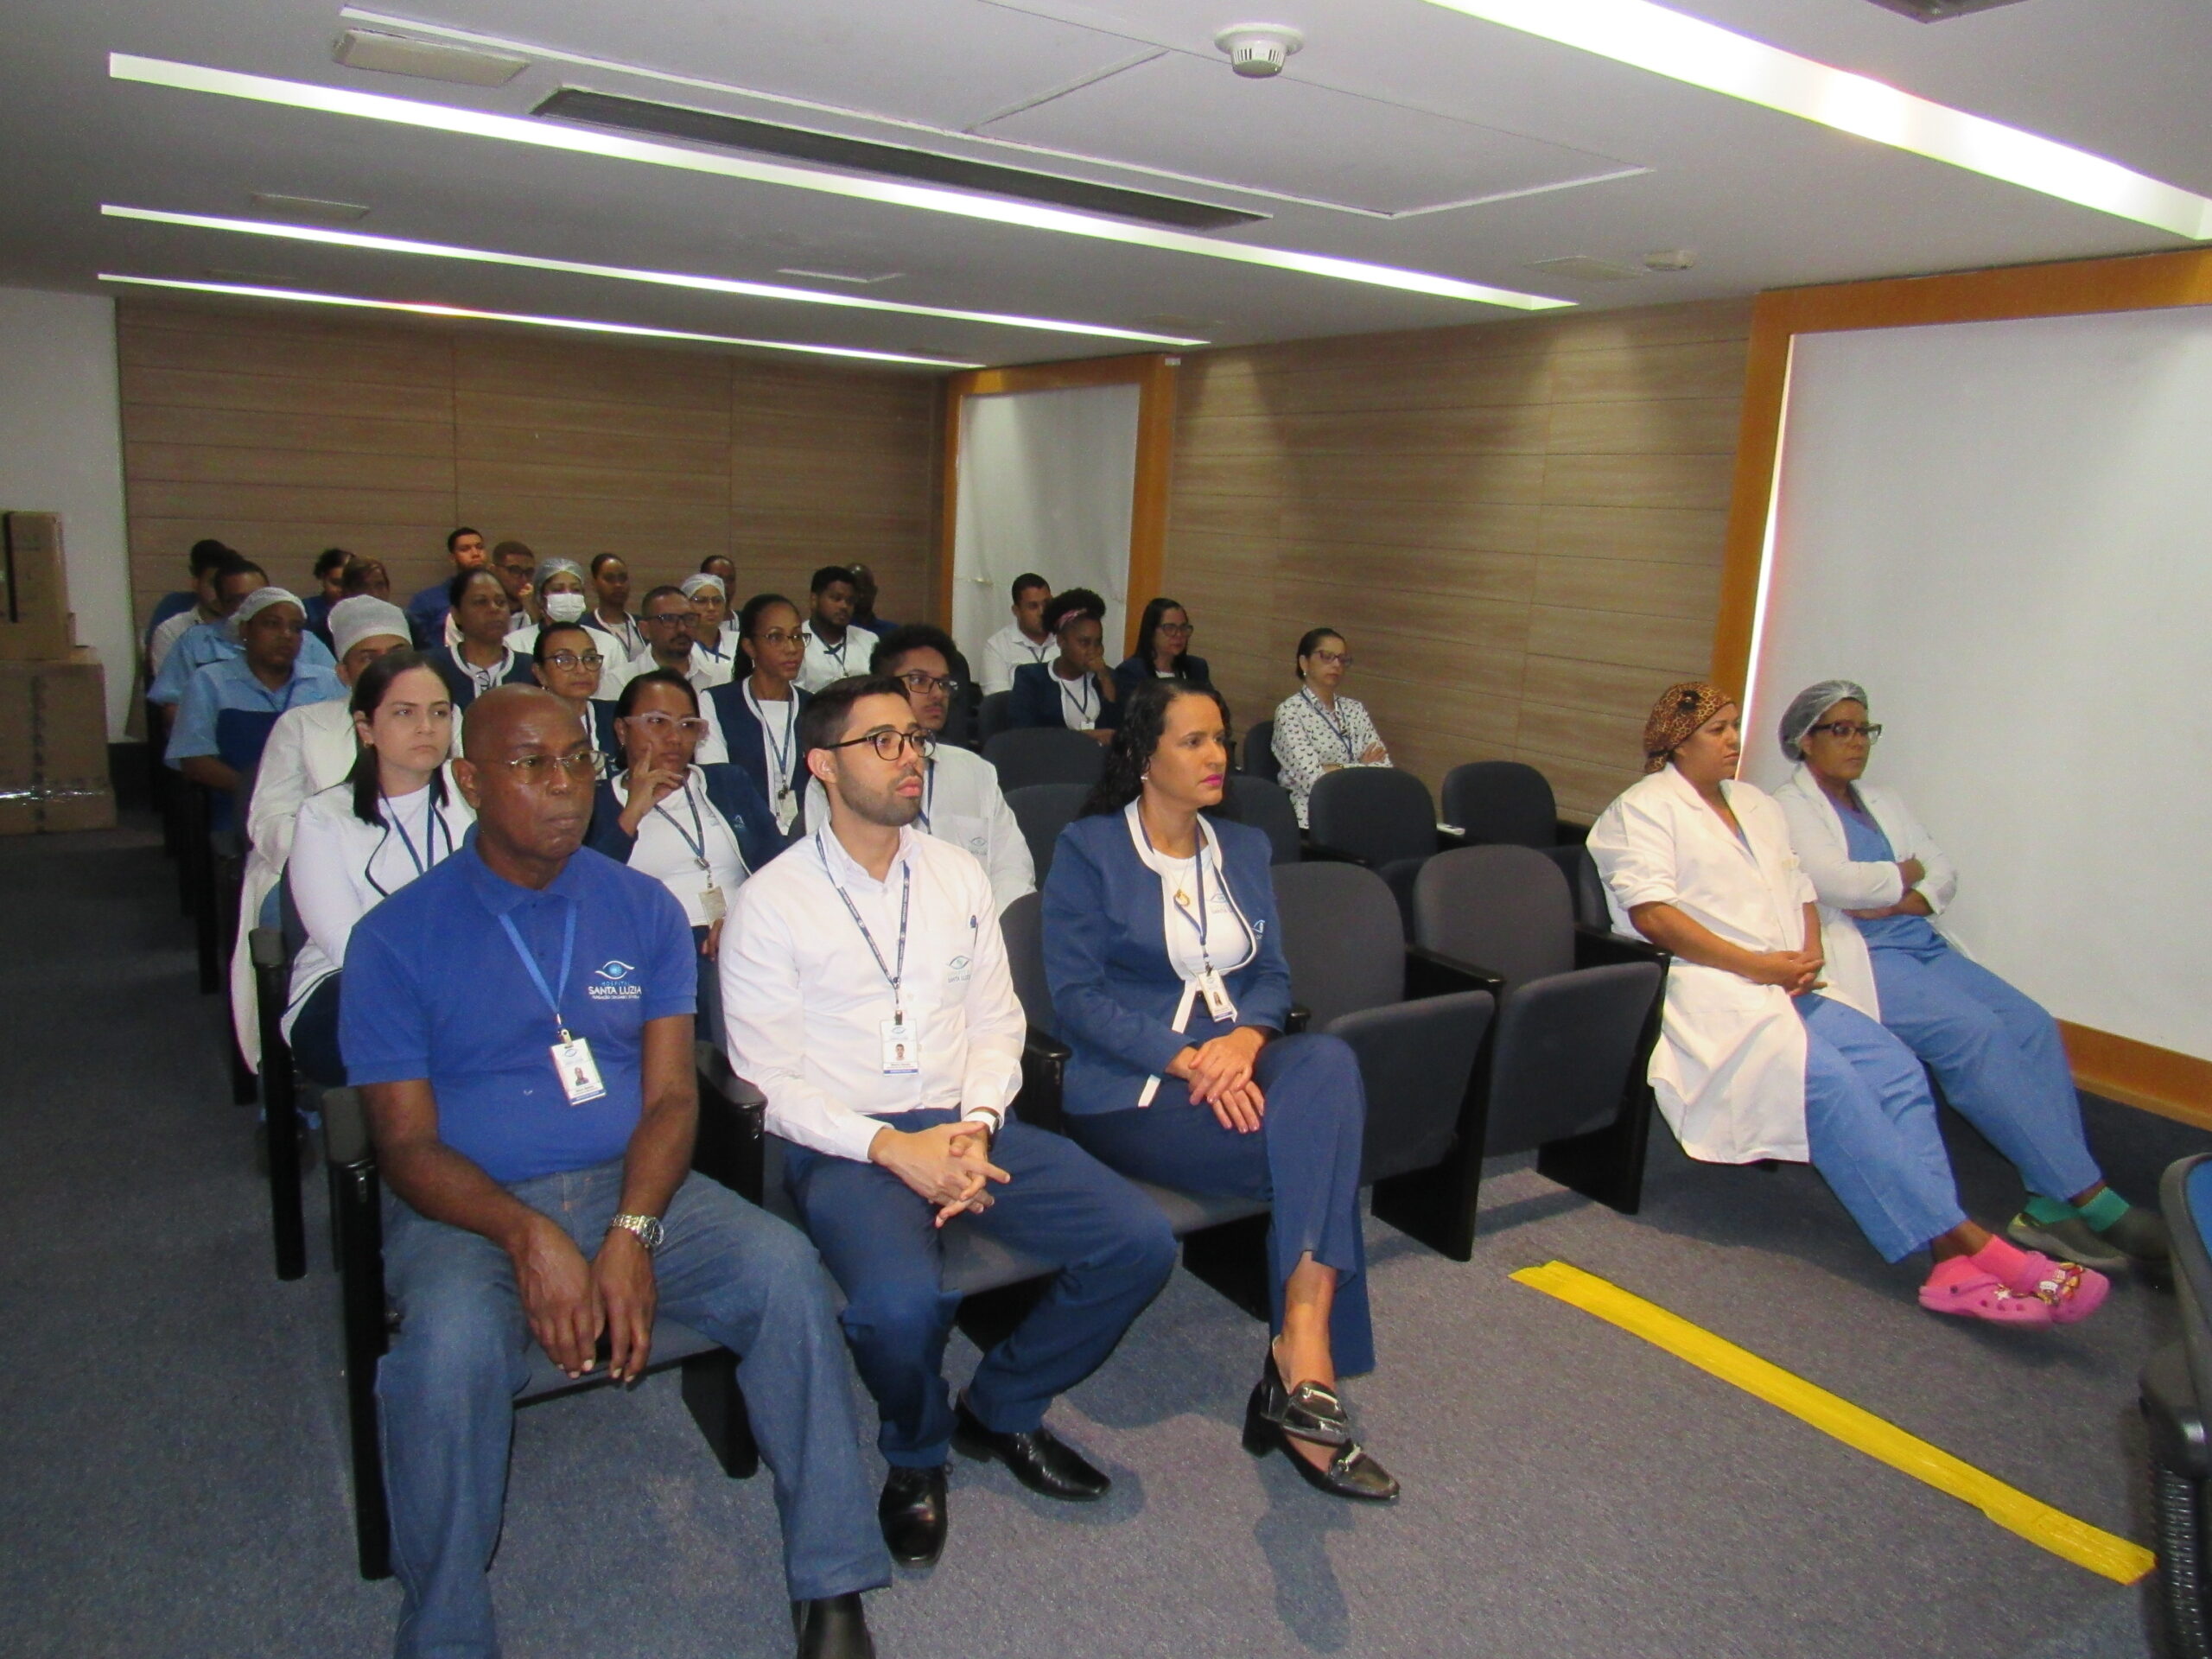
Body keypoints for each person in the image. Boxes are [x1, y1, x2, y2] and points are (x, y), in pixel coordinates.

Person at [340, 684, 887, 1659]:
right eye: (531, 764)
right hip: (469, 1210)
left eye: (578, 762)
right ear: (469, 781)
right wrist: (529, 1236)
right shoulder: (394, 937)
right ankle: (445, 1628)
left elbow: (673, 1098)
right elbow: (407, 1148)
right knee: (449, 1353)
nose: (565, 786)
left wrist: (631, 1230)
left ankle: (833, 1579)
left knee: (783, 1271)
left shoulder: (641, 907)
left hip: (629, 1183)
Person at [723, 677, 1175, 1568]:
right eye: (882, 742)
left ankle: (1000, 1408)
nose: (911, 757)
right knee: (896, 1310)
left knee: (1140, 1242)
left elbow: (997, 1023)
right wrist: (893, 1148)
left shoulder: (955, 874)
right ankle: (916, 1451)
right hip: (849, 1144)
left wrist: (976, 1124)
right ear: (823, 766)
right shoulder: (771, 903)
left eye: (914, 739)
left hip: (966, 1124)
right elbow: (769, 1081)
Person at [1587, 683, 2109, 1327]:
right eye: (1717, 730)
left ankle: (1950, 1263)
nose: (1733, 740)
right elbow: (1655, 917)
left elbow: (1801, 888)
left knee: (1897, 1070)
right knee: (1831, 1083)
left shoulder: (1755, 805)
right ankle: (1981, 1249)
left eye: (1734, 726)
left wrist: (1808, 955)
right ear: (1676, 741)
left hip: (1789, 980)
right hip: (1713, 988)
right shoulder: (1641, 811)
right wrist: (1758, 966)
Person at [1042, 678, 1395, 1500]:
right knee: (1320, 1153)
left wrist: (1243, 1039)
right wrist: (1189, 1059)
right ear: (1144, 755)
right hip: (1135, 1084)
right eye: (1193, 741)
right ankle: (1302, 1375)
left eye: (1221, 740)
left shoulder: (1242, 846)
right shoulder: (1089, 849)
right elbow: (1077, 1000)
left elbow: (1271, 975)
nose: (1217, 757)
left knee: (1329, 1063)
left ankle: (1300, 1349)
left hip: (1239, 1059)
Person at [1769, 680, 2166, 1274]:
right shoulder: (1787, 806)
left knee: (2031, 1024)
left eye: (1864, 729)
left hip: (1921, 943)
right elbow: (1837, 884)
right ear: (1805, 741)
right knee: (1973, 1033)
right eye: (1840, 730)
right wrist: (1905, 874)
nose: (1857, 742)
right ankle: (2092, 1198)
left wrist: (1901, 896)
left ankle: (2048, 1204)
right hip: (1866, 958)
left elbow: (1944, 874)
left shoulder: (1884, 800)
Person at [231, 594, 414, 1069]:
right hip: (313, 872)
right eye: (368, 657)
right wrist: (335, 860)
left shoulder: (442, 721)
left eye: (397, 653)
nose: (386, 668)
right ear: (343, 673)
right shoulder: (302, 725)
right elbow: (269, 818)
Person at [283, 652, 473, 1084]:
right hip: (352, 983)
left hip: (468, 976)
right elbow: (345, 943)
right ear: (366, 728)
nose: (426, 727)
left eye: (439, 713)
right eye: (405, 713)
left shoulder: (474, 800)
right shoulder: (324, 816)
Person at [587, 668, 779, 1046]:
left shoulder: (727, 782)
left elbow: (778, 867)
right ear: (622, 731)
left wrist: (743, 919)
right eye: (657, 722)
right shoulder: (598, 803)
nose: (674, 738)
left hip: (739, 934)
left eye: (688, 725)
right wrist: (633, 812)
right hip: (655, 950)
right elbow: (589, 889)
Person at [803, 626, 1032, 912]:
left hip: (976, 928)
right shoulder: (841, 775)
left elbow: (1013, 869)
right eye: (919, 680)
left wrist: (986, 929)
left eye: (943, 683)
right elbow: (826, 875)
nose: (937, 694)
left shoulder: (975, 771)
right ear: (884, 686)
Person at [164, 588, 346, 820]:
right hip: (237, 808)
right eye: (272, 624)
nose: (286, 635)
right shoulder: (210, 681)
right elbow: (194, 760)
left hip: (319, 810)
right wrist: (261, 794)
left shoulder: (328, 682)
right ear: (245, 629)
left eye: (296, 628)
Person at [149, 558, 338, 711]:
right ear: (220, 604)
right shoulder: (195, 643)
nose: (251, 604)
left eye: (259, 596)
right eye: (239, 599)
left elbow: (337, 695)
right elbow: (174, 710)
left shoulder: (307, 642)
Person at [707, 593, 811, 838]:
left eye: (797, 636)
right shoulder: (717, 702)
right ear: (750, 647)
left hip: (806, 838)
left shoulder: (815, 706)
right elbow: (719, 783)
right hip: (741, 836)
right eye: (776, 637)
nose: (791, 648)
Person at [1271, 628, 1389, 828]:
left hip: (1358, 809)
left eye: (1342, 659)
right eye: (1327, 656)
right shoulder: (1290, 713)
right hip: (1312, 817)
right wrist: (1361, 765)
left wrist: (1332, 768)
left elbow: (1384, 770)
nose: (1336, 664)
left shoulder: (1355, 709)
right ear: (1304, 662)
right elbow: (1314, 781)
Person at [1007, 588, 1120, 740]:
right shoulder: (1031, 678)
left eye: (1098, 642)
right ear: (1061, 641)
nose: (1093, 651)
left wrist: (1105, 680)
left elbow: (1119, 732)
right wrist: (1083, 737)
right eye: (1084, 642)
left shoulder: (1107, 678)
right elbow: (1023, 735)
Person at [508, 556, 627, 699]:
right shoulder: (515, 643)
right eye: (558, 590)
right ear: (541, 598)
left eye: (575, 590)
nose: (568, 596)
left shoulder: (608, 643)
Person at [430, 569, 536, 713]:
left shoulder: (531, 668)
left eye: (501, 602)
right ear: (456, 614)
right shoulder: (433, 668)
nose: (494, 609)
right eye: (480, 602)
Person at [614, 584, 734, 697]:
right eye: (669, 619)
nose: (682, 628)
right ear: (645, 629)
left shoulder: (722, 677)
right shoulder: (620, 681)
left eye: (689, 619)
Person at [145, 538, 232, 664]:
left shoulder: (245, 627)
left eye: (227, 585)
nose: (221, 592)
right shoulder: (172, 630)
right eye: (214, 584)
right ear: (196, 583)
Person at [1111, 598, 1211, 704]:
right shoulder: (1131, 673)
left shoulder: (1197, 668)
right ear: (1151, 631)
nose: (1179, 634)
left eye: (1183, 628)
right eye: (1170, 628)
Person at [798, 565, 879, 693]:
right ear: (814, 600)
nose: (844, 606)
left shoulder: (869, 640)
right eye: (836, 598)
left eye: (850, 601)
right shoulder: (796, 641)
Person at [405, 527, 488, 648]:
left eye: (479, 547)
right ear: (453, 558)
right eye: (465, 549)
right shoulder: (426, 600)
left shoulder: (500, 598)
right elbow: (412, 645)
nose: (475, 553)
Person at [977, 573, 1056, 696]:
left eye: (1047, 603)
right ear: (1016, 611)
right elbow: (999, 702)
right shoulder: (997, 647)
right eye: (1033, 606)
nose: (1042, 612)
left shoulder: (1066, 639)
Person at [589, 552, 642, 658]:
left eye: (623, 578)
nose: (618, 585)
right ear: (594, 584)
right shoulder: (585, 627)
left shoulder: (643, 625)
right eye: (609, 579)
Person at [683, 573, 738, 672]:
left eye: (717, 601)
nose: (711, 608)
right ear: (685, 605)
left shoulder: (738, 643)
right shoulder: (676, 646)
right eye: (701, 601)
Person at [303, 546, 352, 642]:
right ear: (323, 578)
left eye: (348, 584)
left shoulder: (362, 611)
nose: (342, 589)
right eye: (336, 583)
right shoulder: (305, 609)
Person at [489, 540, 537, 636]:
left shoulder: (534, 614)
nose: (524, 579)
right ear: (493, 571)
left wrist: (534, 615)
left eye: (529, 572)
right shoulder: (479, 613)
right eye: (515, 570)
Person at [846, 562, 897, 637]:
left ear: (874, 592)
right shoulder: (835, 632)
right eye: (856, 591)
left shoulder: (893, 632)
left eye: (865, 590)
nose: (861, 596)